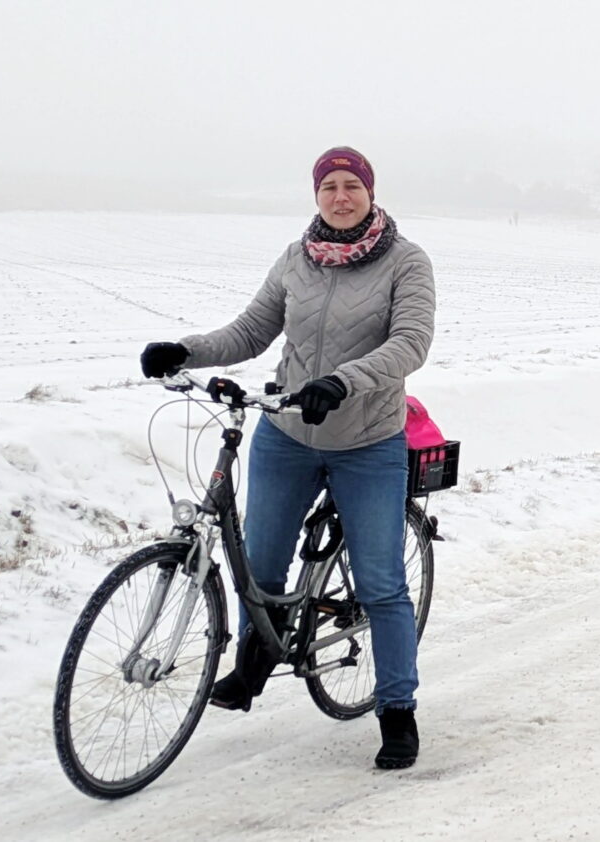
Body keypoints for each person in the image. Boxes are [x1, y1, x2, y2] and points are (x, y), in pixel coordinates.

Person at [140, 146, 435, 770]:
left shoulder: (407, 262)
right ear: (316, 195)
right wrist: (184, 351)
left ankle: (397, 712)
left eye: (351, 184)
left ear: (370, 193)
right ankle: (252, 666)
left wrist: (343, 381)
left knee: (381, 584)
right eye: (328, 185)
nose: (340, 195)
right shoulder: (297, 259)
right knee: (261, 563)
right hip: (288, 434)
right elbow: (250, 330)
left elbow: (411, 343)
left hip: (367, 440)